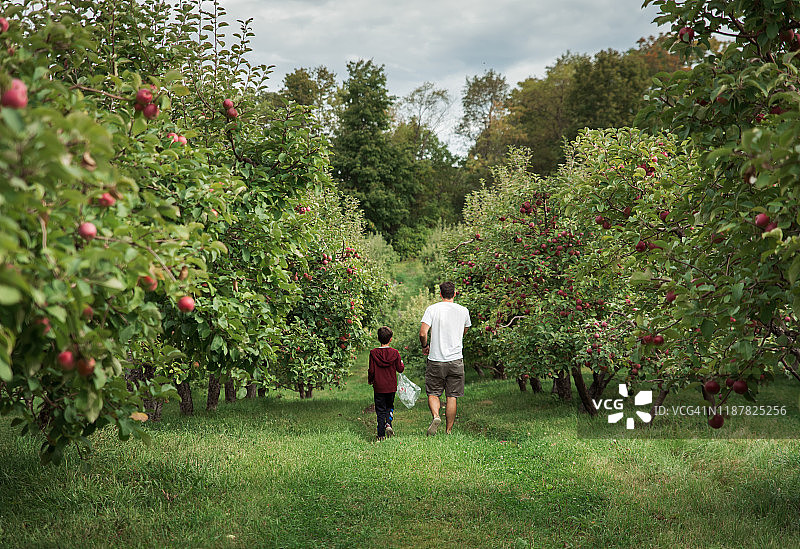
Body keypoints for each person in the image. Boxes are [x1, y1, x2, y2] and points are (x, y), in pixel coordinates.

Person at [419, 281, 471, 436]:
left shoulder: (432, 309)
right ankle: (448, 431)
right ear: (455, 293)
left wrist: (425, 345)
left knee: (434, 393)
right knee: (452, 396)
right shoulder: (463, 311)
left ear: (440, 294)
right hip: (456, 360)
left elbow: (423, 333)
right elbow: (465, 329)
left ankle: (436, 416)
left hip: (436, 359)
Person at [368, 326, 404, 440]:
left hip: (379, 386)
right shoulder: (395, 353)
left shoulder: (373, 353)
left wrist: (370, 380)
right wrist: (401, 363)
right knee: (389, 406)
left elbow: (372, 370)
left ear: (378, 338)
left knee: (380, 410)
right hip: (391, 386)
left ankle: (381, 434)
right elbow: (400, 369)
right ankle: (388, 423)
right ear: (391, 339)